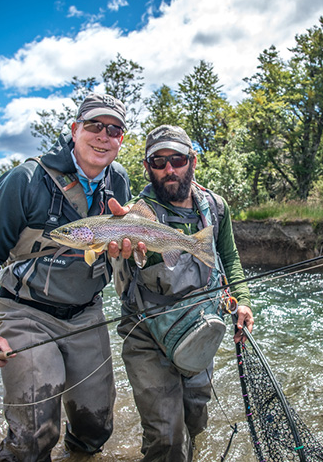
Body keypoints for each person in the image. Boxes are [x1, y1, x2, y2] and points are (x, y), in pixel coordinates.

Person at [0, 93, 132, 460]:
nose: (104, 136)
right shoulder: (24, 179)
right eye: (94, 126)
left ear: (122, 140)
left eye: (114, 129)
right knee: (35, 433)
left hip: (86, 311)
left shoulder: (118, 182)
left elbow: (121, 250)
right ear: (74, 130)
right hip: (26, 312)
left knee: (96, 426)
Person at [107, 124, 254, 461]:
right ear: (147, 168)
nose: (169, 169)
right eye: (158, 162)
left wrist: (243, 300)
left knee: (196, 420)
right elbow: (121, 259)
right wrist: (126, 248)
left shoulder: (215, 208)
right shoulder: (135, 215)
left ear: (193, 160)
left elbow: (229, 257)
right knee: (166, 436)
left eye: (177, 159)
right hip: (146, 334)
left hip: (200, 325)